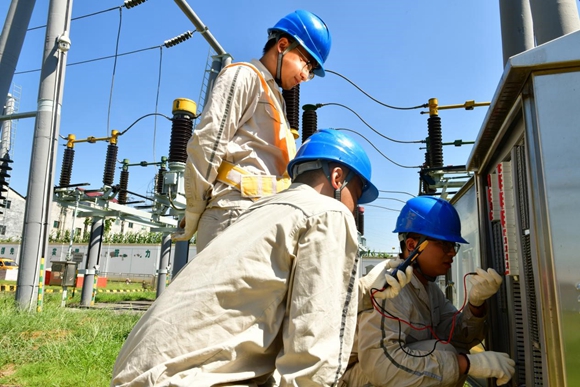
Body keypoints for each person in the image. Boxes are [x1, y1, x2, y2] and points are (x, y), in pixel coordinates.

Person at [111, 129, 413, 387]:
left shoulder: (257, 212)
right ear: (338, 178)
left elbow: (268, 296)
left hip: (144, 372)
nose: (355, 208)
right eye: (357, 194)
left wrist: (364, 292)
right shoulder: (329, 213)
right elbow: (314, 344)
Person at [171, 10, 332, 252]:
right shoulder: (243, 75)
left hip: (259, 215)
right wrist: (193, 210)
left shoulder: (275, 99)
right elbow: (208, 144)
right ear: (282, 45)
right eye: (306, 63)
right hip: (233, 213)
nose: (304, 75)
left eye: (310, 72)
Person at [340, 196, 516, 387]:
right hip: (359, 379)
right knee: (445, 352)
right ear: (412, 246)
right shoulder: (388, 286)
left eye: (453, 245)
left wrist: (476, 305)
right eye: (444, 244)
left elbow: (456, 338)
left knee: (447, 350)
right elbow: (382, 367)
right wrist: (466, 364)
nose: (452, 252)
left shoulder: (430, 289)